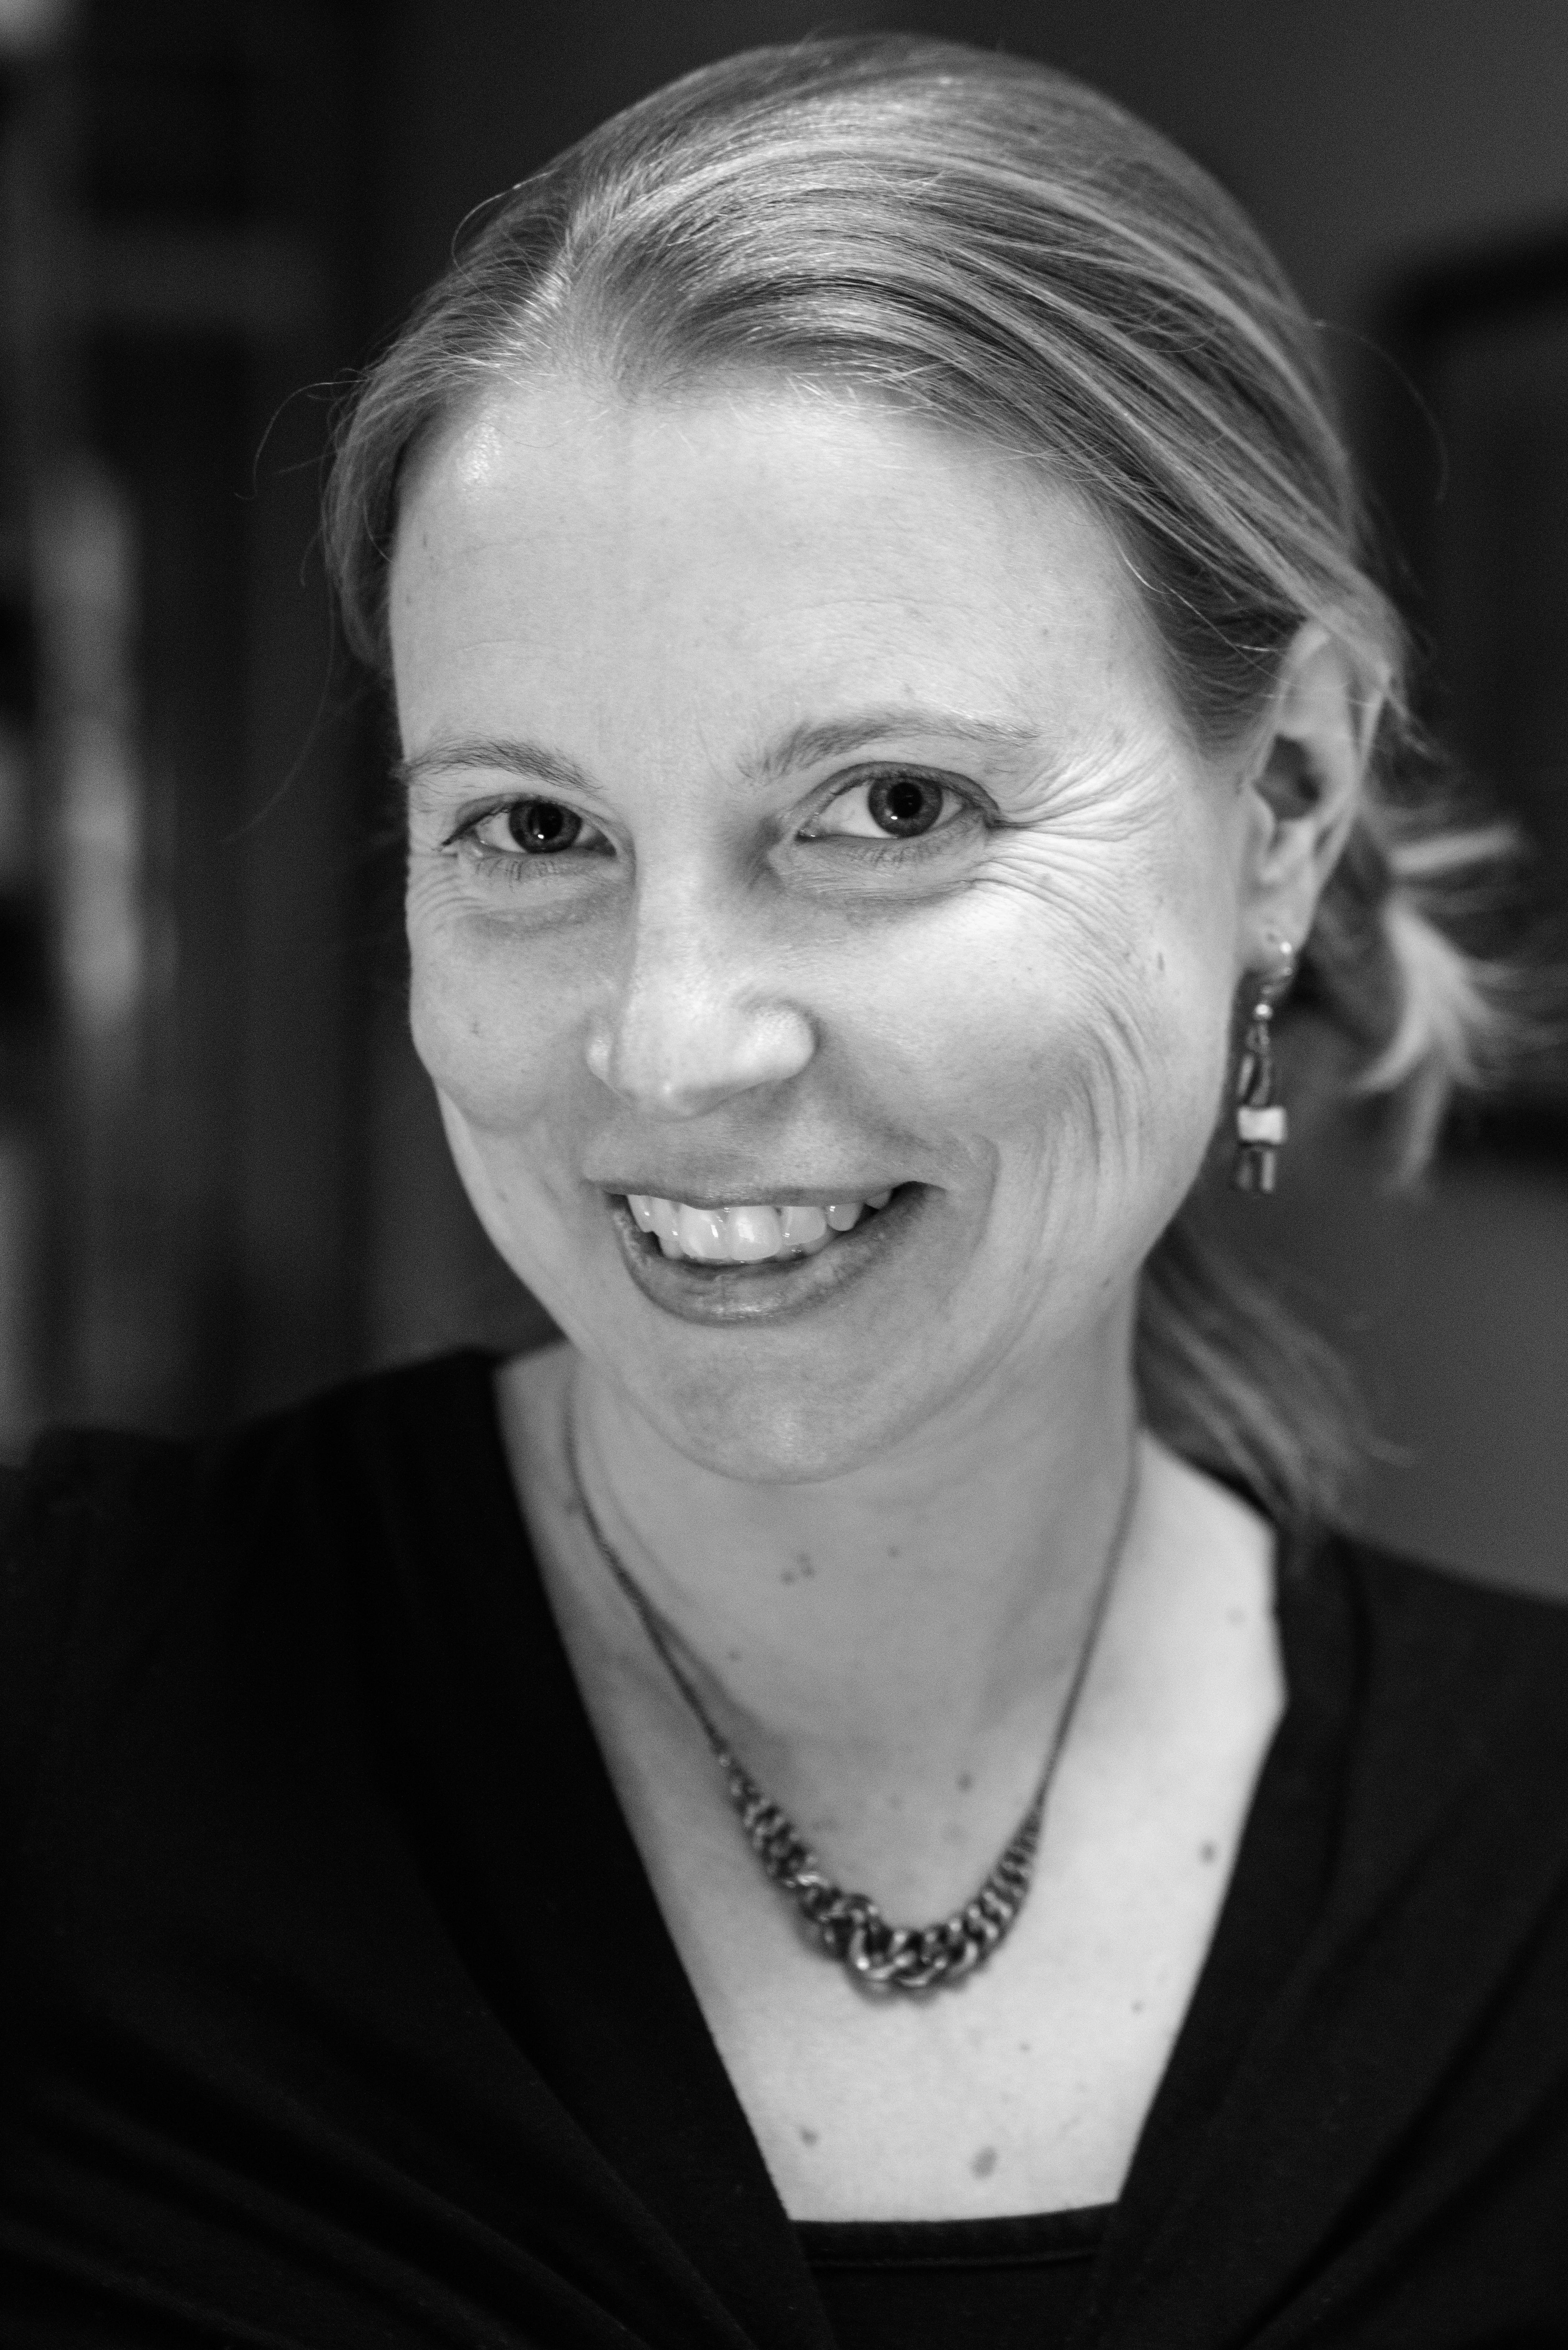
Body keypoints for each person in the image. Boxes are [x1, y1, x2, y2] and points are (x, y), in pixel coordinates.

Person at [2, 34, 1565, 2350]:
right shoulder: (59, 1730)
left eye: (894, 809)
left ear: (1287, 807)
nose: (669, 1047)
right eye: (534, 830)